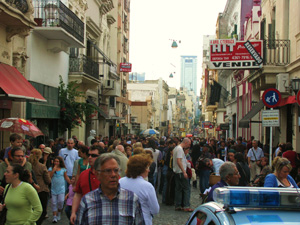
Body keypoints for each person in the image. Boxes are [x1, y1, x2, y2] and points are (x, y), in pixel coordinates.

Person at [75, 153, 145, 225]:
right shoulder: (87, 201)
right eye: (108, 171)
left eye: (116, 170)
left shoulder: (132, 199)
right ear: (97, 174)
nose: (113, 175)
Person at [120, 154, 159, 225]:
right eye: (147, 168)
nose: (149, 170)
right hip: (143, 220)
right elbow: (155, 210)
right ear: (141, 169)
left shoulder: (120, 182)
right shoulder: (147, 186)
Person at [70, 146, 105, 224]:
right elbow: (78, 194)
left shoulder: (108, 174)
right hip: (86, 215)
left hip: (102, 215)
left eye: (93, 155)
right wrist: (73, 212)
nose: (90, 157)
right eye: (89, 155)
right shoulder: (84, 174)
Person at [29, 149, 51, 225]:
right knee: (42, 210)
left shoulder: (28, 165)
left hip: (30, 189)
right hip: (42, 189)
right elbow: (48, 180)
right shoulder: (41, 166)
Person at [173, 138, 193, 212]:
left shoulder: (177, 148)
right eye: (189, 144)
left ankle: (178, 205)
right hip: (180, 172)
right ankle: (186, 205)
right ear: (186, 142)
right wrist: (184, 171)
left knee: (178, 189)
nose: (189, 146)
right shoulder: (179, 149)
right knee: (186, 189)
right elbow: (178, 161)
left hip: (177, 172)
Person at [49, 156, 71, 223]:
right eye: (55, 161)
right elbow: (49, 177)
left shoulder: (63, 169)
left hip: (61, 188)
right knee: (53, 202)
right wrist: (53, 170)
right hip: (53, 188)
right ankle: (54, 216)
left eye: (57, 161)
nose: (56, 163)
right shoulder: (51, 169)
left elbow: (66, 177)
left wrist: (71, 183)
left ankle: (59, 212)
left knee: (61, 201)